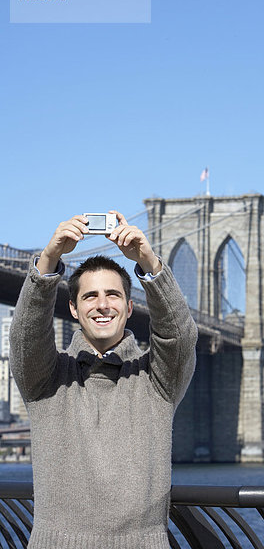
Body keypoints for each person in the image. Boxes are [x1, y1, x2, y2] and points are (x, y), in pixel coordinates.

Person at [9, 210, 197, 549]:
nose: (102, 305)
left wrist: (149, 262)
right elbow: (27, 333)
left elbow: (179, 336)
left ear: (128, 308)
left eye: (113, 295)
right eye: (90, 296)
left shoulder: (157, 382)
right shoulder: (45, 381)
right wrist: (49, 259)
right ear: (73, 309)